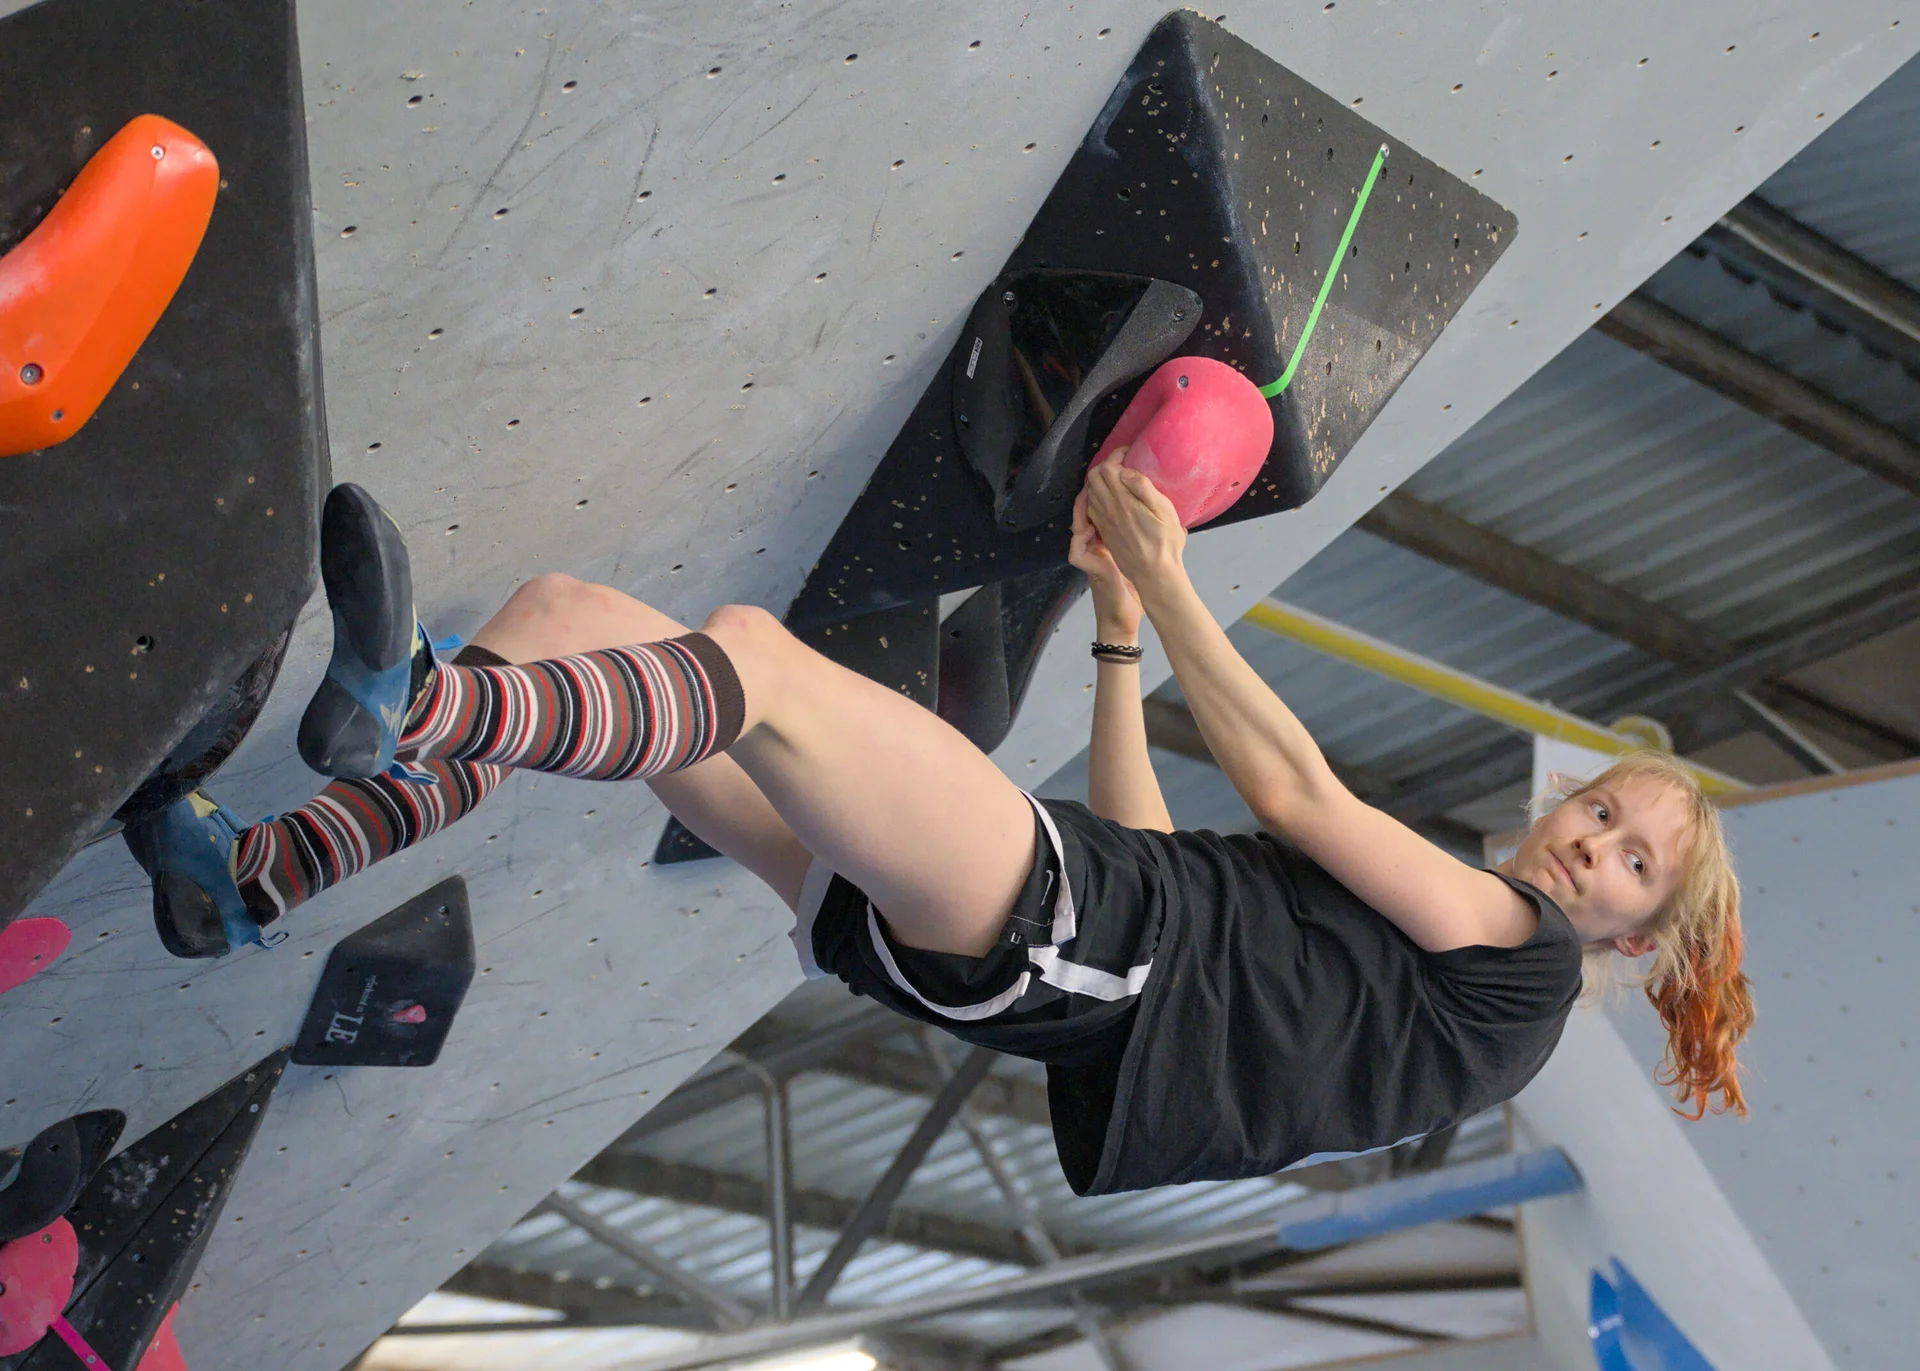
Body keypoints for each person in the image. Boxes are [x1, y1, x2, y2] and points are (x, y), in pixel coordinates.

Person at [125, 465, 1753, 1195]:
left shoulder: (1521, 973)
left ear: (1628, 933)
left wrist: (1178, 580)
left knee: (754, 663)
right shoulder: (1410, 983)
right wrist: (1116, 628)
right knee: (573, 616)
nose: (1589, 841)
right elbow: (1169, 844)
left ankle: (422, 708)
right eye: (1603, 807)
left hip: (1075, 938)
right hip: (1066, 936)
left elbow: (1292, 794)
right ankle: (252, 875)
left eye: (1629, 859)